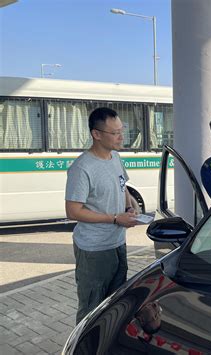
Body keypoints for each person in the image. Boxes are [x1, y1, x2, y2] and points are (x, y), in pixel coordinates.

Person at [65, 107, 138, 324]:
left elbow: (122, 184)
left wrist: (129, 206)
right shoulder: (82, 168)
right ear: (96, 134)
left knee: (114, 303)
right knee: (91, 308)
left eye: (121, 131)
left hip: (117, 243)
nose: (121, 137)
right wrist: (115, 219)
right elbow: (73, 211)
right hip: (94, 250)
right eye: (114, 133)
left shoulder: (115, 157)